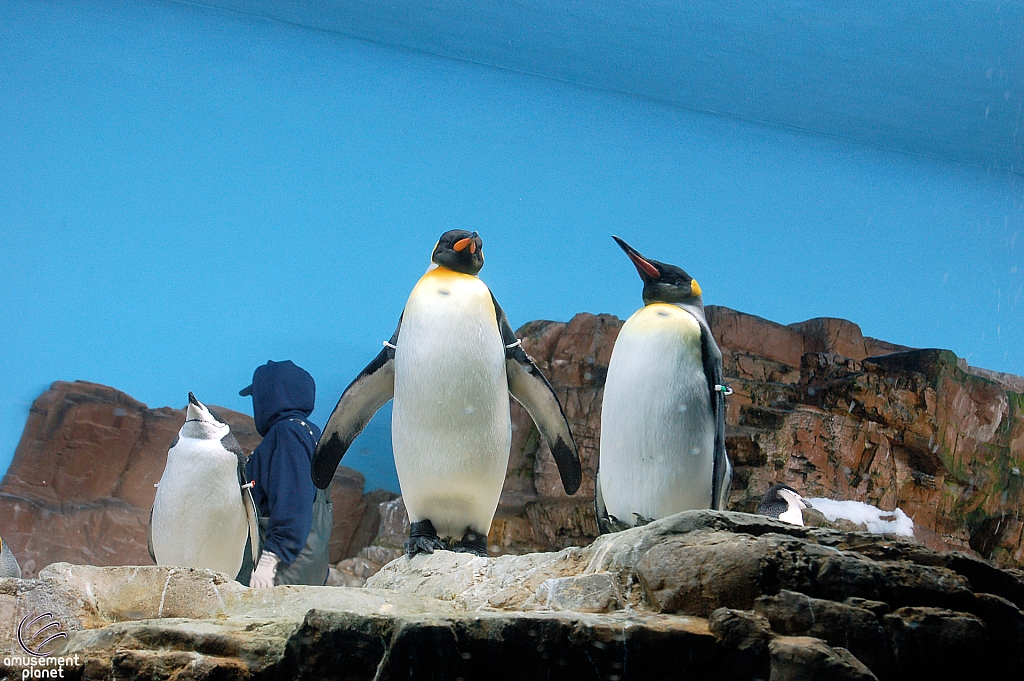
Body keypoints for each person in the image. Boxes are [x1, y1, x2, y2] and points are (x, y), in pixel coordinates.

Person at [238, 360, 332, 587]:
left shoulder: (287, 434)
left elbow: (292, 499)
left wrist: (271, 558)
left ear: (270, 395)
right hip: (308, 561)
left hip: (281, 569)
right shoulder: (311, 433)